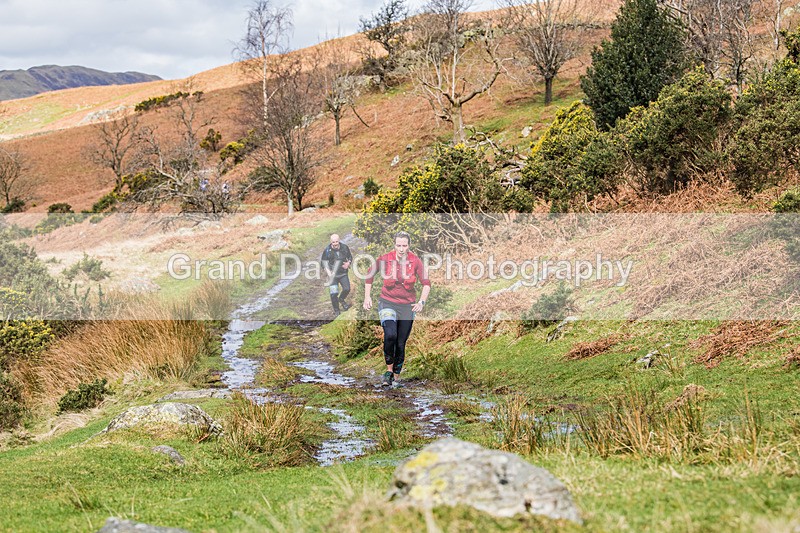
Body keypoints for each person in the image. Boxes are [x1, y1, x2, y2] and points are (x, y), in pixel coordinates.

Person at [364, 231, 431, 388]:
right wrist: (367, 297)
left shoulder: (415, 261)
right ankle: (388, 371)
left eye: (404, 245)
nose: (401, 249)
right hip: (387, 302)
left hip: (407, 306)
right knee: (390, 335)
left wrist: (421, 302)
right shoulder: (385, 259)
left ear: (409, 245)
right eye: (398, 245)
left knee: (401, 343)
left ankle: (396, 378)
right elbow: (369, 275)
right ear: (394, 245)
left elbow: (426, 283)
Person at [320, 234, 353, 315]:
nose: (335, 244)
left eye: (336, 241)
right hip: (333, 275)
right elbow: (323, 263)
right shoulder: (327, 250)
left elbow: (350, 257)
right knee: (334, 293)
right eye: (333, 242)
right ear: (331, 242)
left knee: (347, 289)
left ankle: (341, 299)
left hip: (343, 273)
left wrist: (348, 263)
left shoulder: (344, 247)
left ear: (339, 240)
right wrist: (329, 273)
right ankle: (337, 311)